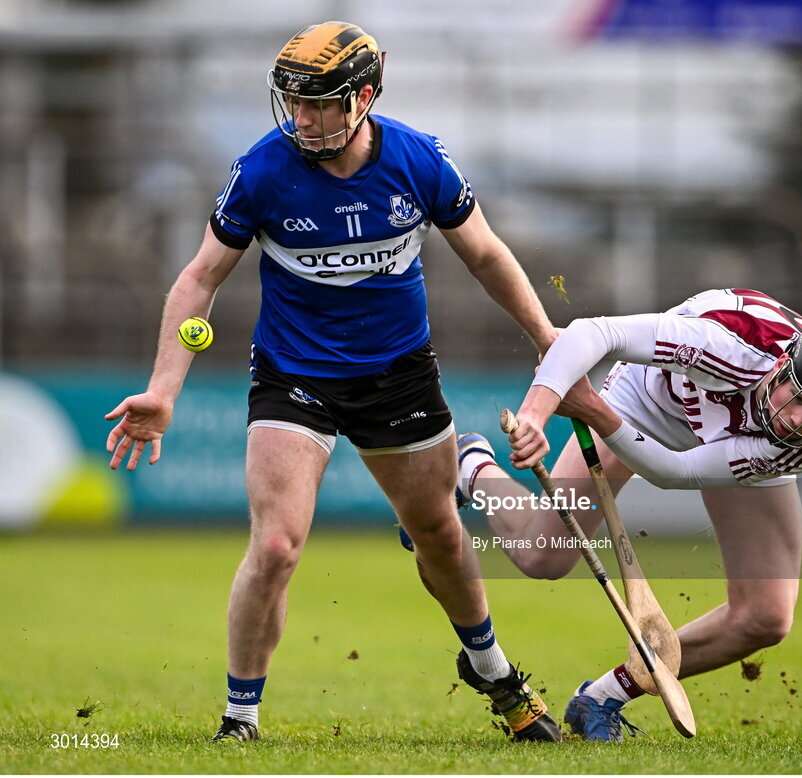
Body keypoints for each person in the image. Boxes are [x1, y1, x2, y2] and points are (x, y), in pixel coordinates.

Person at [104, 21, 564, 743]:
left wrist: (546, 337)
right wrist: (164, 389)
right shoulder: (262, 170)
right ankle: (240, 718)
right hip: (294, 376)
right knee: (278, 546)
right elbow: (198, 279)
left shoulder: (418, 160)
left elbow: (486, 256)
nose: (303, 118)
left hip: (399, 376)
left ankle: (494, 671)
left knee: (440, 532)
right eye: (294, 102)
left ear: (365, 98)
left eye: (320, 104)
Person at [454, 287, 802, 741]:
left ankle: (601, 698)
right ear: (783, 365)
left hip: (733, 435)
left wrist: (591, 408)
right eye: (796, 397)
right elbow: (593, 334)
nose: (796, 420)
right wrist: (536, 416)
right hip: (650, 400)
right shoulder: (726, 345)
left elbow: (677, 472)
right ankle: (471, 466)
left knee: (765, 618)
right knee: (545, 555)